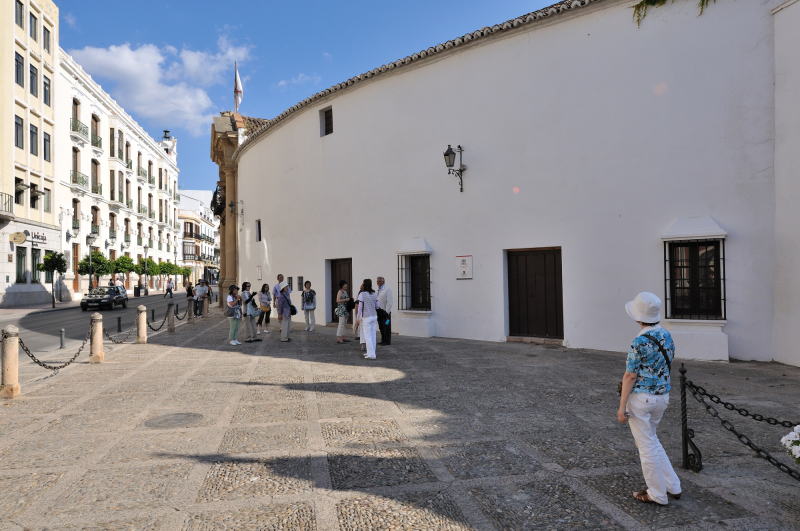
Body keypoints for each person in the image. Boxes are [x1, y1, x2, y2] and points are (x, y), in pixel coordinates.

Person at [617, 291, 681, 506]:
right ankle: (673, 485)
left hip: (642, 399)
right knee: (652, 441)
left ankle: (657, 494)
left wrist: (622, 406)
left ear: (638, 317)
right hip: (662, 397)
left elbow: (630, 375)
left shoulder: (639, 341)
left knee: (646, 448)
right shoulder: (666, 335)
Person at [357, 278, 379, 359]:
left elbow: (360, 308)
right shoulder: (374, 294)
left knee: (367, 336)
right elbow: (377, 306)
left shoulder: (362, 294)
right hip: (374, 316)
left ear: (364, 284)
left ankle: (371, 355)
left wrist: (358, 318)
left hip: (366, 317)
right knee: (373, 335)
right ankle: (371, 353)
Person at [376, 276, 393, 345]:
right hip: (379, 312)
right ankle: (383, 340)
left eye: (380, 281)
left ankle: (387, 341)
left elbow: (390, 302)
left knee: (386, 326)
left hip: (386, 313)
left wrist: (387, 312)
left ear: (383, 282)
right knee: (381, 327)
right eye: (377, 281)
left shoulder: (387, 289)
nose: (378, 282)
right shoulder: (377, 289)